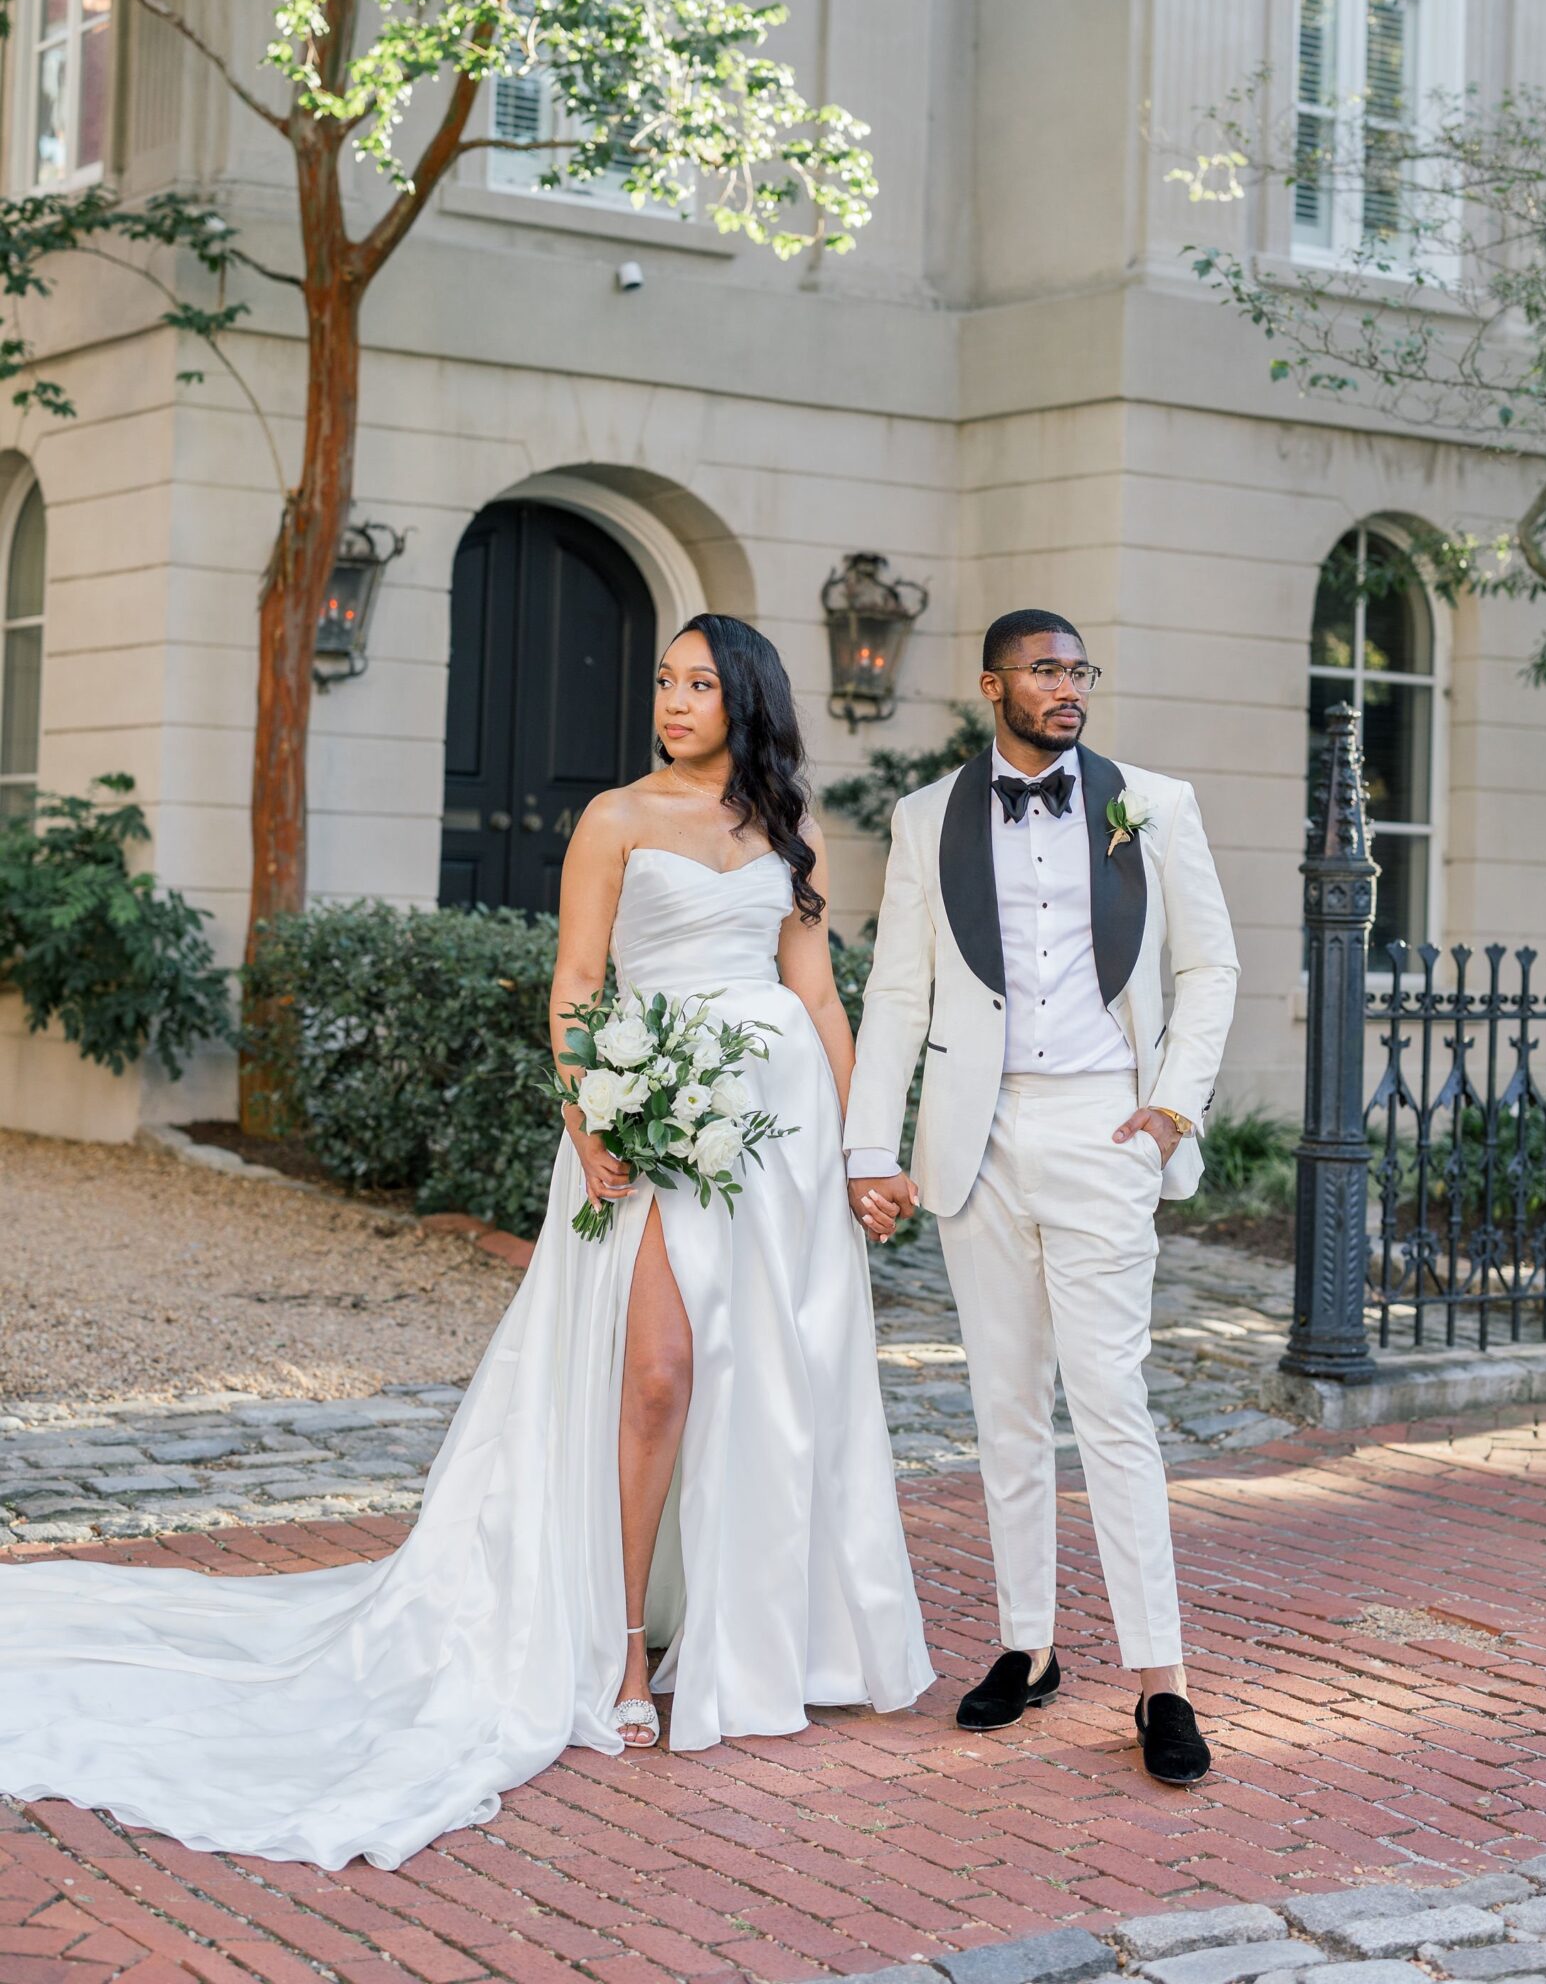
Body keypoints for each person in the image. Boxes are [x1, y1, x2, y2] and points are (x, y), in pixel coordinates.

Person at [0, 615, 930, 1869]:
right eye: (663, 679)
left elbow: (817, 991)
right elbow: (578, 984)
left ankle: (763, 1628)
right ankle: (618, 1649)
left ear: (747, 698)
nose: (672, 699)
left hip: (777, 1138)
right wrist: (593, 1110)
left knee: (769, 1381)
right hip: (648, 1120)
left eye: (699, 684)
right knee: (655, 1376)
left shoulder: (790, 828)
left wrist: (869, 1148)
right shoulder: (612, 819)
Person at [842, 607, 1237, 1784]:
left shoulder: (1153, 803)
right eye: (1044, 669)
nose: (1067, 687)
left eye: (1078, 670)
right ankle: (1029, 1642)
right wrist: (873, 1148)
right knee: (1005, 1405)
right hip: (979, 1133)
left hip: (1108, 1124)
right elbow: (899, 993)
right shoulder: (927, 818)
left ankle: (1161, 1680)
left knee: (1112, 1400)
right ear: (993, 684)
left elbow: (1209, 962)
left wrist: (1172, 1107)